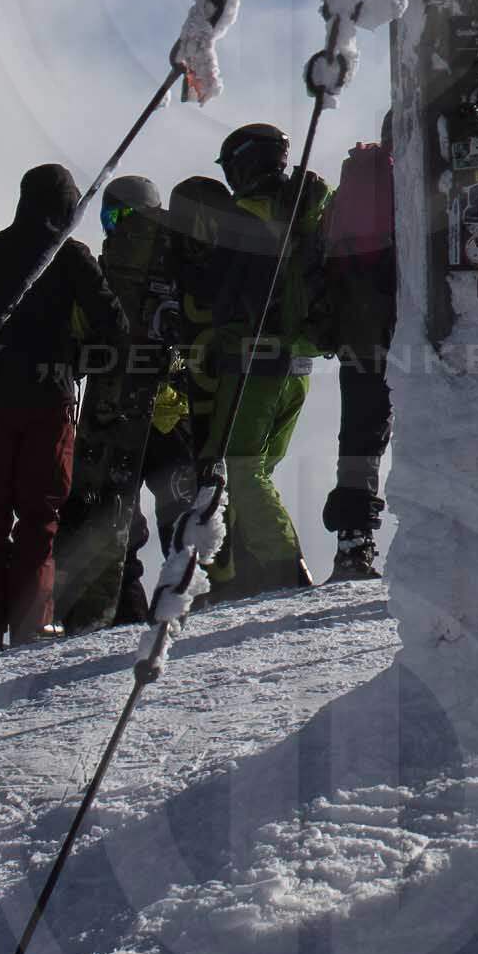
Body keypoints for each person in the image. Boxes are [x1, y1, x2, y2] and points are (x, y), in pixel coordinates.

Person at [0, 161, 116, 653]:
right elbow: (113, 326)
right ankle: (30, 621)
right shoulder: (71, 255)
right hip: (50, 397)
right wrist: (79, 357)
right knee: (40, 514)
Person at [152, 123, 330, 601]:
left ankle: (283, 570)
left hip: (255, 359)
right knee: (255, 467)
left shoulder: (243, 218)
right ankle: (249, 572)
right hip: (298, 359)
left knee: (239, 465)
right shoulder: (305, 207)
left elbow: (224, 292)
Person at [48, 173, 175, 634]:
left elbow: (81, 335)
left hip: (111, 408)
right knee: (176, 512)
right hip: (171, 408)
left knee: (107, 511)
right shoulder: (178, 259)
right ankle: (191, 598)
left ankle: (116, 612)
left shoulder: (104, 268)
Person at [315, 136, 402, 588]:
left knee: (359, 441)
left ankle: (354, 544)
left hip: (358, 338)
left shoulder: (346, 194)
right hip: (412, 330)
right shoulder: (419, 180)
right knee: (430, 432)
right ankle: (430, 542)